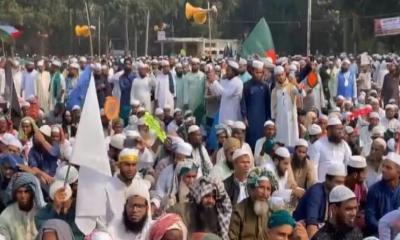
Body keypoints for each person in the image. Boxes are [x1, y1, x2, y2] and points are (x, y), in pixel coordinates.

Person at [168, 176, 232, 239]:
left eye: (214, 197)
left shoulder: (217, 217)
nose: (211, 201)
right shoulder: (180, 211)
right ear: (198, 196)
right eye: (207, 196)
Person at [293, 163, 347, 238]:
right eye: (338, 182)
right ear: (327, 180)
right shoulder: (316, 193)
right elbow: (311, 226)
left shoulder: (335, 194)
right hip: (302, 229)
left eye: (343, 183)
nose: (341, 186)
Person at [228, 167, 278, 240]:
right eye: (261, 187)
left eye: (268, 189)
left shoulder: (271, 212)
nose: (265, 193)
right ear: (251, 189)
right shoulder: (239, 211)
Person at [105, 148, 147, 225]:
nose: (130, 169)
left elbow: (147, 218)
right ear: (119, 165)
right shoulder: (107, 187)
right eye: (127, 165)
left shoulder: (142, 188)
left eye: (133, 165)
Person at [0, 172, 46, 240]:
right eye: (19, 192)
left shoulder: (43, 213)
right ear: (15, 193)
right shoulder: (6, 215)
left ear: (32, 192)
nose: (23, 196)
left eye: (26, 192)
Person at [365, 152, 400, 236]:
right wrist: (385, 231)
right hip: (379, 234)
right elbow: (370, 219)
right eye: (383, 166)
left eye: (388, 168)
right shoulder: (374, 190)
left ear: (398, 171)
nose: (383, 170)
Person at [308, 117, 351, 182]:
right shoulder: (318, 144)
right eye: (338, 129)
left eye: (341, 129)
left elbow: (348, 163)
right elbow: (313, 166)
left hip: (340, 183)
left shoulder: (344, 145)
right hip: (323, 184)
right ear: (329, 130)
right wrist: (316, 184)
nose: (340, 132)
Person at [271, 65, 303, 146]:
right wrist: (273, 119)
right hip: (279, 119)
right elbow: (272, 106)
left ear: (285, 74)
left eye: (282, 74)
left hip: (290, 118)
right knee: (280, 137)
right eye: (278, 75)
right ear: (276, 77)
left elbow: (302, 94)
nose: (281, 77)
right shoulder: (274, 90)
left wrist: (296, 84)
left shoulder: (291, 87)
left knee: (292, 137)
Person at [241, 60, 271, 149]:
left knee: (262, 140)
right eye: (257, 72)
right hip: (250, 119)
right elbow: (243, 103)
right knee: (251, 140)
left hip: (262, 118)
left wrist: (268, 119)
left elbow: (268, 104)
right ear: (252, 71)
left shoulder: (265, 86)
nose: (258, 74)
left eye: (260, 72)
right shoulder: (246, 85)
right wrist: (245, 117)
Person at [183, 58, 206, 124]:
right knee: (191, 118)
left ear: (199, 65)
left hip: (200, 101)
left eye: (197, 64)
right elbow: (185, 90)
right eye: (193, 64)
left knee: (200, 118)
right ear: (191, 65)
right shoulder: (187, 76)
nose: (195, 66)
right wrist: (185, 102)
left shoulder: (203, 75)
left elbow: (205, 89)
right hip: (190, 102)